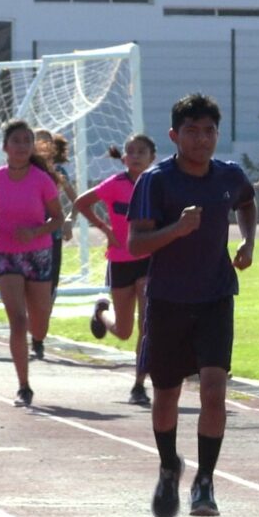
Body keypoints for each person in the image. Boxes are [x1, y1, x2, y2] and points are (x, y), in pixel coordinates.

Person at [128, 93, 256, 517]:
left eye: (209, 131)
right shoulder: (156, 181)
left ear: (218, 134)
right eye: (192, 131)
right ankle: (169, 466)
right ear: (174, 135)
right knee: (166, 394)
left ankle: (205, 481)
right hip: (167, 300)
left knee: (214, 389)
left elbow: (246, 200)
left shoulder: (229, 174)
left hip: (216, 295)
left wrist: (248, 240)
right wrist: (178, 229)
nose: (202, 140)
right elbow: (136, 243)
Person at [0, 119, 64, 407]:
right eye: (17, 141)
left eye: (27, 141)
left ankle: (37, 337)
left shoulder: (42, 179)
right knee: (18, 320)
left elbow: (58, 219)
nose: (23, 146)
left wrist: (35, 232)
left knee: (38, 324)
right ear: (5, 146)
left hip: (38, 253)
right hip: (5, 253)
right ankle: (23, 385)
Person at [73, 134, 157, 406]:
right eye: (130, 152)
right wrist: (105, 228)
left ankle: (139, 385)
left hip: (148, 259)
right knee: (123, 330)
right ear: (123, 159)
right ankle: (101, 312)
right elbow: (80, 203)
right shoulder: (115, 184)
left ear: (152, 157)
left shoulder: (158, 184)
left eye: (141, 151)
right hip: (120, 260)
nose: (135, 156)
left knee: (147, 324)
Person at [32, 129, 78, 359]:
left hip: (53, 237)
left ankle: (38, 338)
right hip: (28, 238)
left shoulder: (59, 172)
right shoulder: (24, 171)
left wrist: (70, 219)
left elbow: (77, 200)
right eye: (37, 141)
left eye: (45, 142)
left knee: (48, 288)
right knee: (28, 287)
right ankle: (32, 330)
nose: (41, 145)